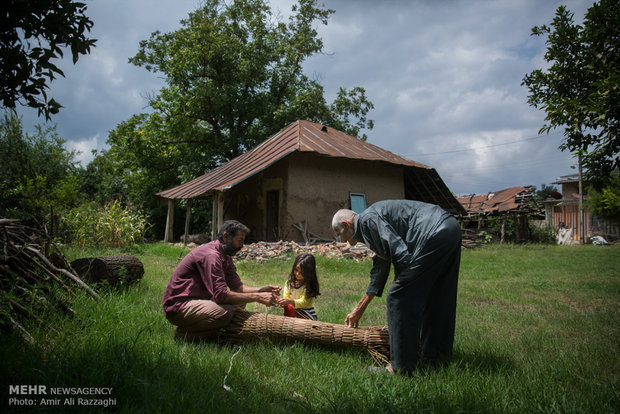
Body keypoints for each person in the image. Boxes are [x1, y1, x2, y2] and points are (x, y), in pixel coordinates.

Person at [332, 200, 461, 374]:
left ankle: (400, 367)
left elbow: (398, 251)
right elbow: (380, 269)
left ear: (346, 224)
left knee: (398, 297)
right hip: (450, 228)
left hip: (432, 232)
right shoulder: (369, 226)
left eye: (339, 233)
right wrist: (359, 309)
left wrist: (402, 286)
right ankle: (436, 362)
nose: (341, 239)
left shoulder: (368, 220)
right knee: (438, 296)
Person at [163, 220, 281, 341]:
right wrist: (258, 298)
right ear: (225, 237)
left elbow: (238, 286)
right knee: (224, 313)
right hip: (178, 306)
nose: (242, 246)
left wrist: (262, 290)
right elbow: (221, 296)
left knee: (240, 302)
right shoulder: (211, 256)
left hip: (197, 300)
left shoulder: (225, 255)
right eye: (240, 240)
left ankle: (209, 329)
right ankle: (184, 335)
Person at [276, 253, 320, 321]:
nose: (297, 274)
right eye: (296, 270)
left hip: (305, 312)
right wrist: (283, 302)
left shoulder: (308, 285)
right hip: (291, 310)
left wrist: (291, 301)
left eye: (301, 273)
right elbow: (286, 296)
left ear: (309, 273)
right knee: (288, 309)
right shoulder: (290, 283)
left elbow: (304, 302)